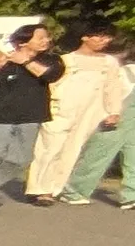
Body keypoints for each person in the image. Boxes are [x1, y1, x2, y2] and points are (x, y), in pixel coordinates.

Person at [0, 19, 61, 213]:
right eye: (40, 37)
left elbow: (49, 75)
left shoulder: (51, 60)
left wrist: (25, 61)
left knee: (21, 160)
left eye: (47, 37)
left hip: (30, 117)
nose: (46, 41)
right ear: (22, 42)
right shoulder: (2, 63)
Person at [28, 24, 120, 201]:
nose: (104, 40)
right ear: (85, 37)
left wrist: (114, 111)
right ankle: (40, 188)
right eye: (99, 36)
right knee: (50, 148)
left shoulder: (109, 62)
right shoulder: (65, 60)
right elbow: (51, 84)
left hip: (91, 110)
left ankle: (55, 188)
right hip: (60, 109)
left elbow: (113, 87)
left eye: (107, 37)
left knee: (72, 150)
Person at [49, 27, 134, 207]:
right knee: (102, 150)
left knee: (131, 151)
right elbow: (114, 88)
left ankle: (131, 194)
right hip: (119, 105)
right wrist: (113, 111)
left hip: (123, 105)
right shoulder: (118, 66)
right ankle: (74, 189)